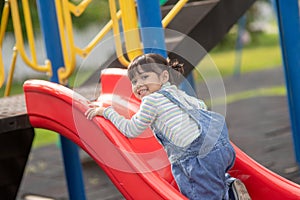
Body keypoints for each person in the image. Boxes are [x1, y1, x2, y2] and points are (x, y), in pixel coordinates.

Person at [85, 53, 237, 200]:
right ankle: (228, 187)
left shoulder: (151, 101)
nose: (139, 84)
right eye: (134, 81)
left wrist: (107, 112)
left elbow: (131, 130)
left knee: (198, 194)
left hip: (195, 158)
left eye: (145, 77)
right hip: (220, 147)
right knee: (212, 186)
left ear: (164, 77)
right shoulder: (176, 92)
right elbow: (201, 106)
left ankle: (226, 189)